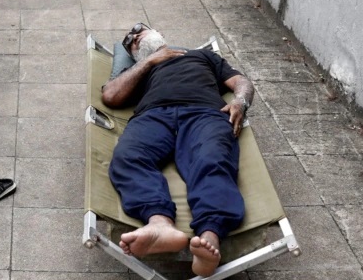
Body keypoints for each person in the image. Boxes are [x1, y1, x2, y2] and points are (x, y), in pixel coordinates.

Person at [101, 23, 255, 278]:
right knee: (127, 157)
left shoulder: (202, 56)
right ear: (134, 53)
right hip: (153, 116)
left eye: (140, 30)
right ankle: (160, 224)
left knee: (211, 159)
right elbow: (111, 97)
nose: (135, 36)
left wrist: (240, 101)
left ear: (159, 32)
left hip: (204, 113)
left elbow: (241, 82)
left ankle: (210, 237)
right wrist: (149, 62)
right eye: (131, 40)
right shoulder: (137, 71)